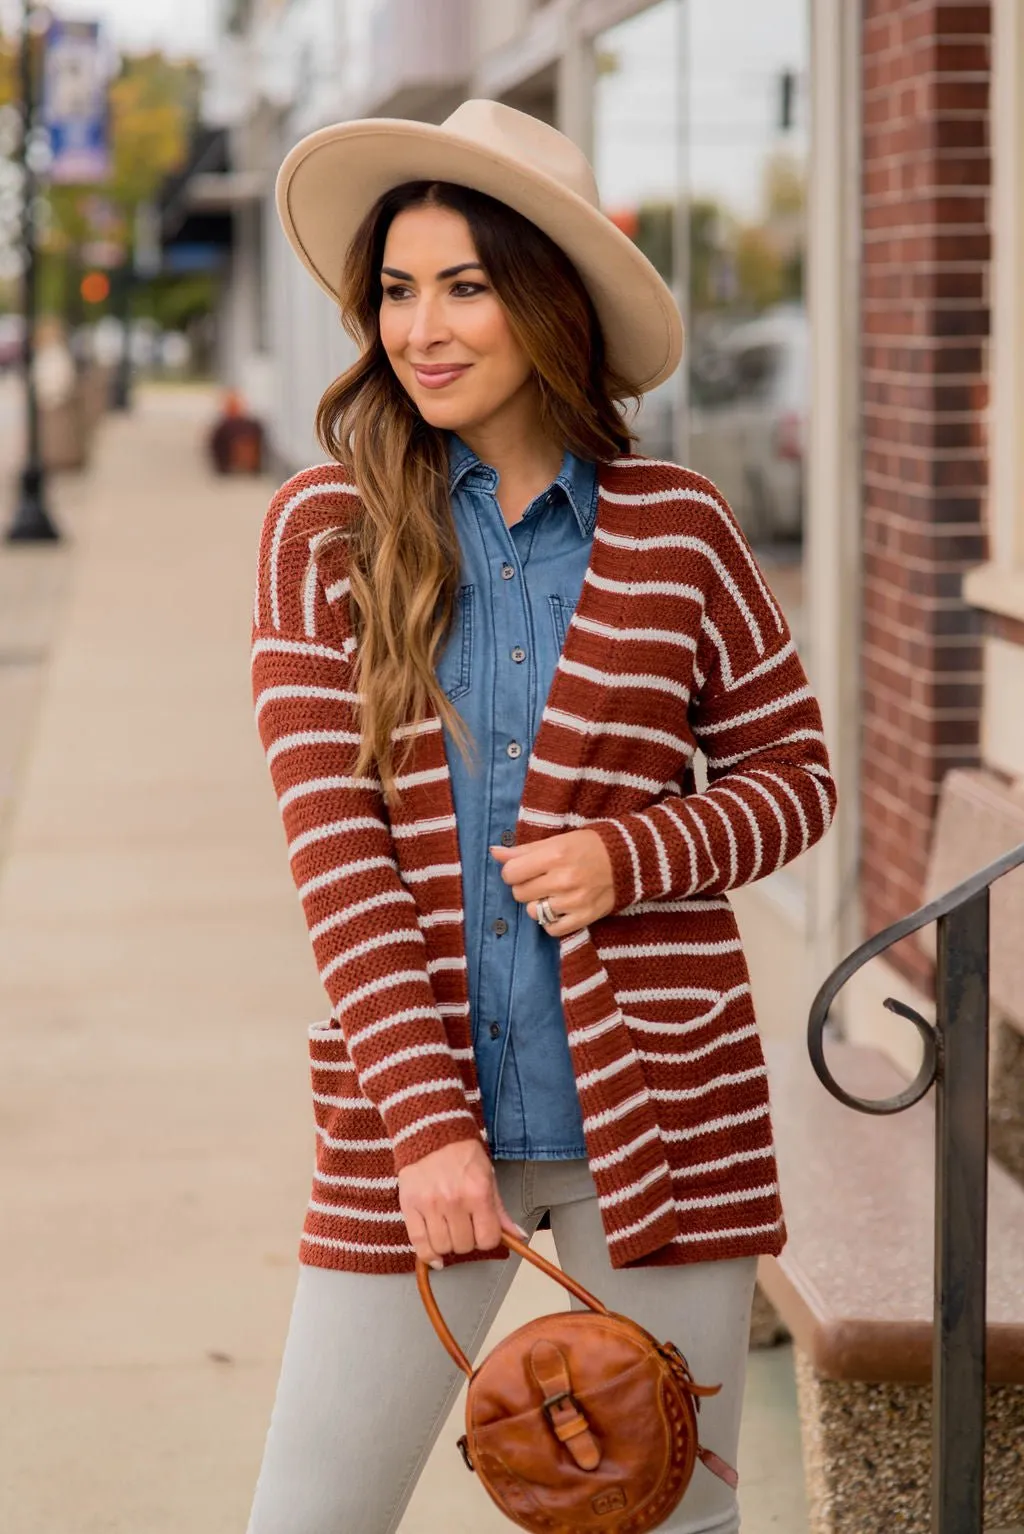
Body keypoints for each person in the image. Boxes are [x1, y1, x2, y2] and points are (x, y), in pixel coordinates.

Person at [248, 100, 836, 1534]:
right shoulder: (324, 533)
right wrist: (432, 1132)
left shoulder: (680, 527)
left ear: (549, 301)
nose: (421, 327)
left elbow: (797, 777)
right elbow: (338, 858)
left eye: (466, 286)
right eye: (397, 289)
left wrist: (629, 854)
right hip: (415, 1127)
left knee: (665, 1520)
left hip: (665, 1123)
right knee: (309, 1515)